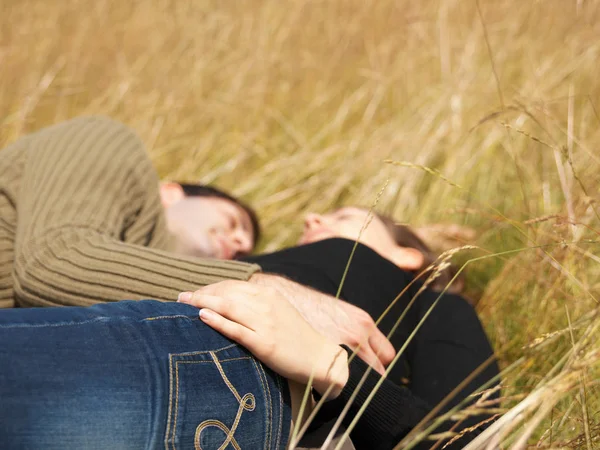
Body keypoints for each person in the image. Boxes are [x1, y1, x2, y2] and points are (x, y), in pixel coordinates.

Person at [0, 205, 498, 449]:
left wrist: (331, 365)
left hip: (225, 368)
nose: (311, 218)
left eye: (343, 215)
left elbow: (469, 437)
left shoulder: (433, 304)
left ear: (409, 255)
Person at [0, 115, 393, 372]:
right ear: (171, 193)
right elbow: (54, 262)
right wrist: (267, 291)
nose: (239, 242)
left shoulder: (150, 295)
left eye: (246, 246)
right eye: (233, 220)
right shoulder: (111, 144)